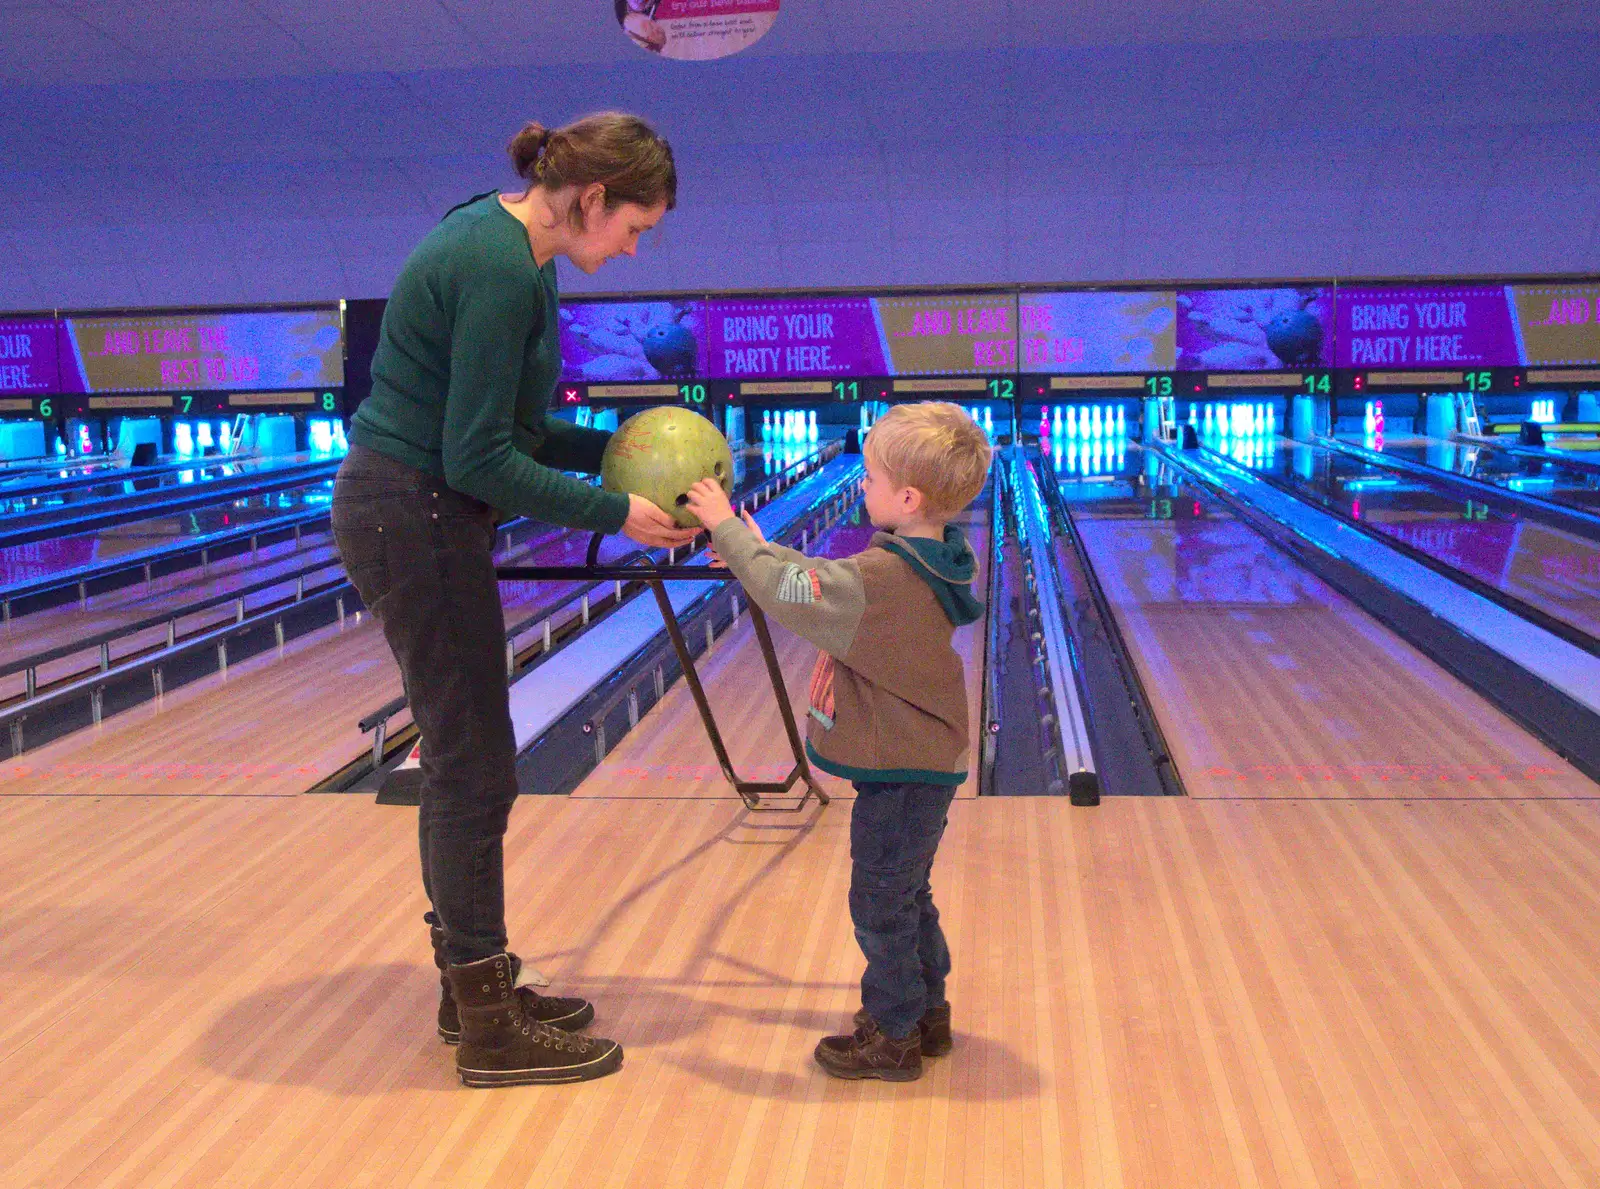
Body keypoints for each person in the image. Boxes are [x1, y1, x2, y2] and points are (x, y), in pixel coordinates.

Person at [332, 112, 698, 1088]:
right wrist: (618, 507)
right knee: (473, 765)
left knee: (474, 759)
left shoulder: (514, 247)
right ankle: (486, 1017)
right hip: (411, 514)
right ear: (591, 199)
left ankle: (473, 981)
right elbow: (478, 457)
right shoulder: (499, 268)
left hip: (419, 508)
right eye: (635, 228)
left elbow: (517, 432)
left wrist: (628, 453)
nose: (632, 250)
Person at [685, 401, 992, 1082]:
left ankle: (892, 1034)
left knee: (880, 902)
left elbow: (792, 592)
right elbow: (821, 580)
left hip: (903, 771)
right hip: (922, 767)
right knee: (907, 895)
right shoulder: (926, 558)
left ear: (906, 497)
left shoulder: (885, 578)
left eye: (872, 478)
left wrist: (729, 532)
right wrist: (757, 548)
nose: (862, 486)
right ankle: (924, 1012)